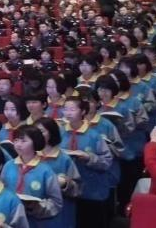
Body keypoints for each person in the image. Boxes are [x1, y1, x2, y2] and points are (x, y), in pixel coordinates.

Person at [58, 97, 113, 228]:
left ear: (82, 111)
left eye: (72, 109)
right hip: (66, 190)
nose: (68, 113)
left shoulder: (94, 135)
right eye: (65, 109)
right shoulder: (59, 132)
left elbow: (107, 161)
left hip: (90, 188)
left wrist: (89, 158)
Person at [2, 125, 63, 227]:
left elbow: (56, 203)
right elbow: (2, 189)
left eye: (23, 141)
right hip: (11, 221)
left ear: (35, 142)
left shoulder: (45, 170)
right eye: (16, 140)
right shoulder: (9, 165)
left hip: (37, 222)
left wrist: (36, 207)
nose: (18, 144)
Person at [36, 117, 80, 228]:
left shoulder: (64, 159)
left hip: (59, 213)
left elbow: (78, 188)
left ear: (51, 133)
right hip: (34, 212)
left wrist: (65, 184)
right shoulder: (31, 156)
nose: (37, 135)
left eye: (41, 131)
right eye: (35, 132)